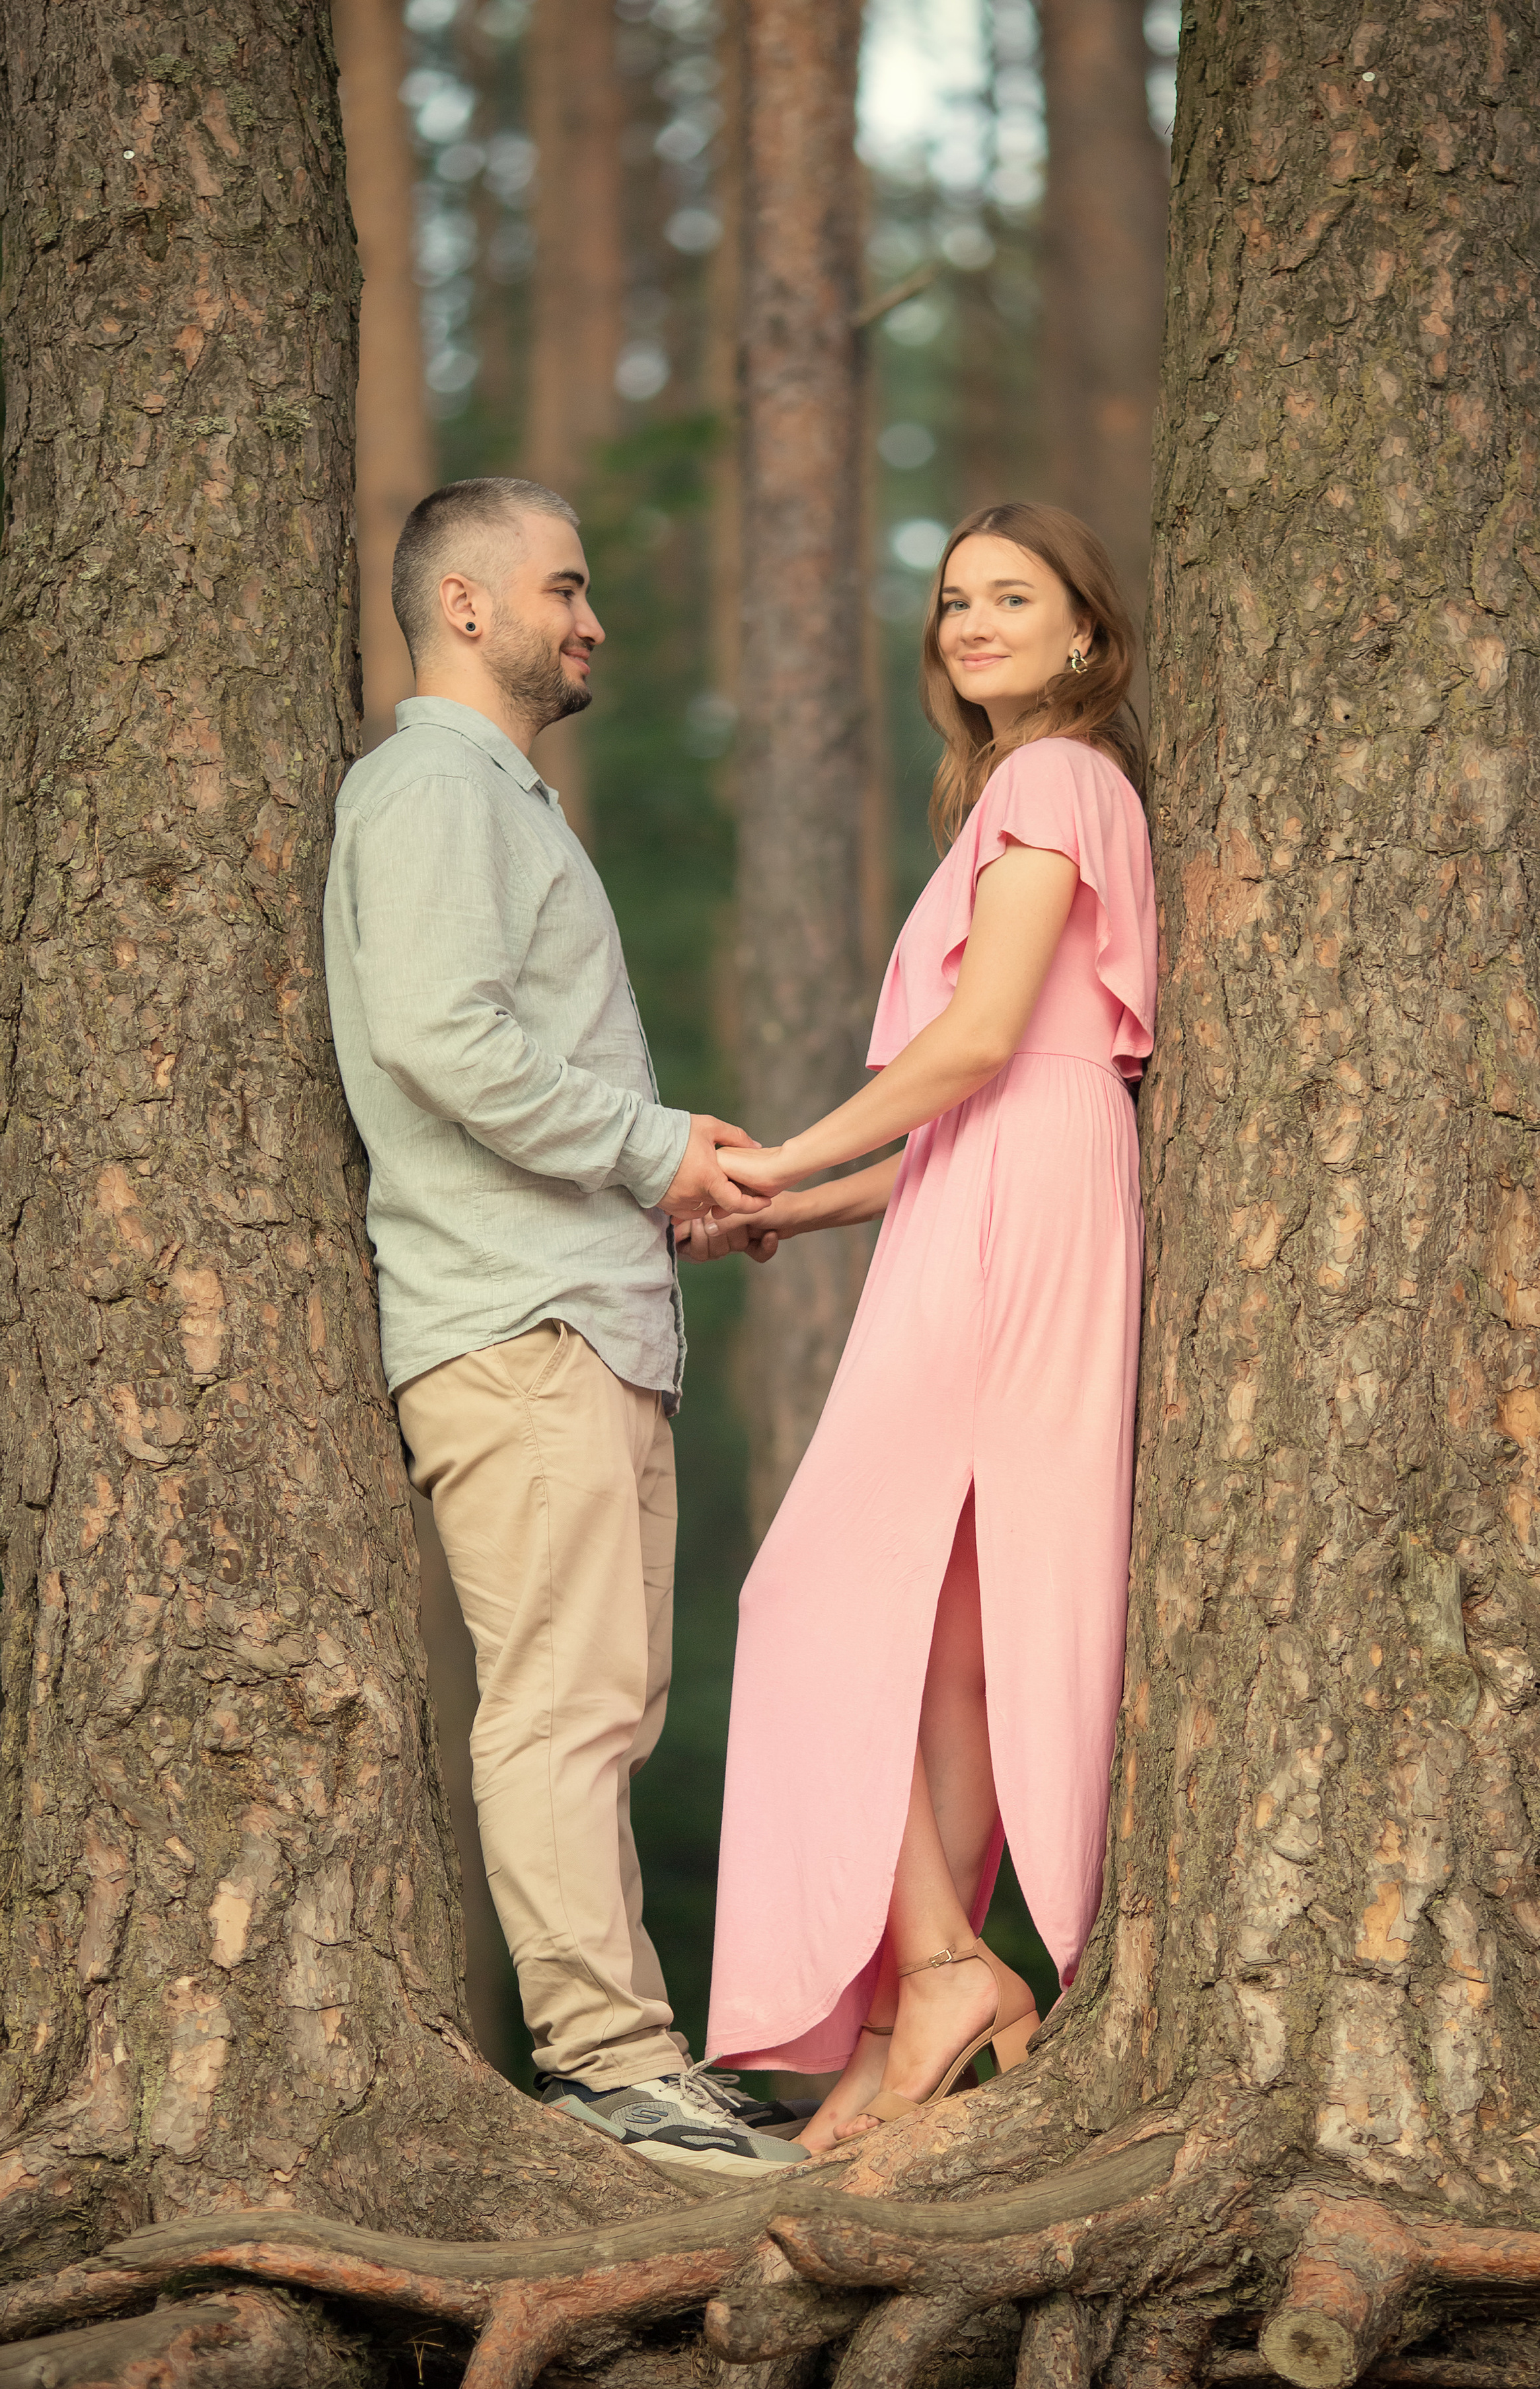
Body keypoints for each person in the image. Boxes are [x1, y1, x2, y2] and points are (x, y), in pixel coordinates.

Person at [322, 476, 803, 2178]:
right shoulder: (436, 789)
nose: (590, 618)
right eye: (563, 585)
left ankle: (630, 2061)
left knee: (600, 1700)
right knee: (561, 1709)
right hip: (519, 1325)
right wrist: (651, 1145)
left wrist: (658, 1180)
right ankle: (612, 2070)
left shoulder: (490, 797)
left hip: (570, 1313)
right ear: (466, 607)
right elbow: (446, 1043)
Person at [694, 502, 1156, 2152]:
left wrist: (767, 1152)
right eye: (953, 600)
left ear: (1084, 634)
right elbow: (981, 1103)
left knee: (805, 1586)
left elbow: (969, 1056)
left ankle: (949, 1962)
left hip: (1012, 1202)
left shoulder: (1051, 779)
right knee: (952, 1639)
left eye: (1009, 599)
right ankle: (906, 2024)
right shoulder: (1032, 792)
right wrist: (788, 1207)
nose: (967, 625)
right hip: (1018, 1191)